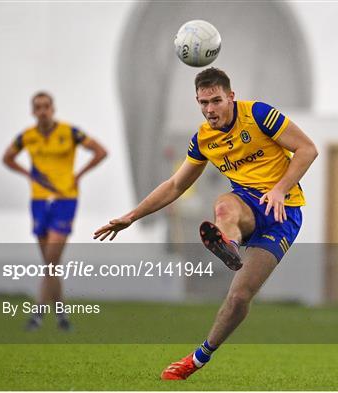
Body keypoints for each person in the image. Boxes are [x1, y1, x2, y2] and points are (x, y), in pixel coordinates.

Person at [94, 68, 318, 379]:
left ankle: (198, 359)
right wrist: (131, 216)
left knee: (239, 298)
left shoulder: (258, 114)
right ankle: (229, 243)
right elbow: (175, 185)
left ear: (231, 97)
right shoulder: (203, 138)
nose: (210, 109)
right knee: (223, 205)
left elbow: (308, 149)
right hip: (246, 203)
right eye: (203, 103)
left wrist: (280, 189)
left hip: (283, 212)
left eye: (215, 101)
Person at [3, 91, 107, 331]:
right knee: (51, 265)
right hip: (39, 201)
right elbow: (7, 158)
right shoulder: (27, 137)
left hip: (65, 200)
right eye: (38, 107)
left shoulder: (69, 132)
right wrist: (28, 175)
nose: (42, 111)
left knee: (51, 261)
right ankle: (62, 316)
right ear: (33, 111)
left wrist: (79, 175)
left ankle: (37, 314)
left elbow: (100, 151)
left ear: (53, 109)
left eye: (46, 106)